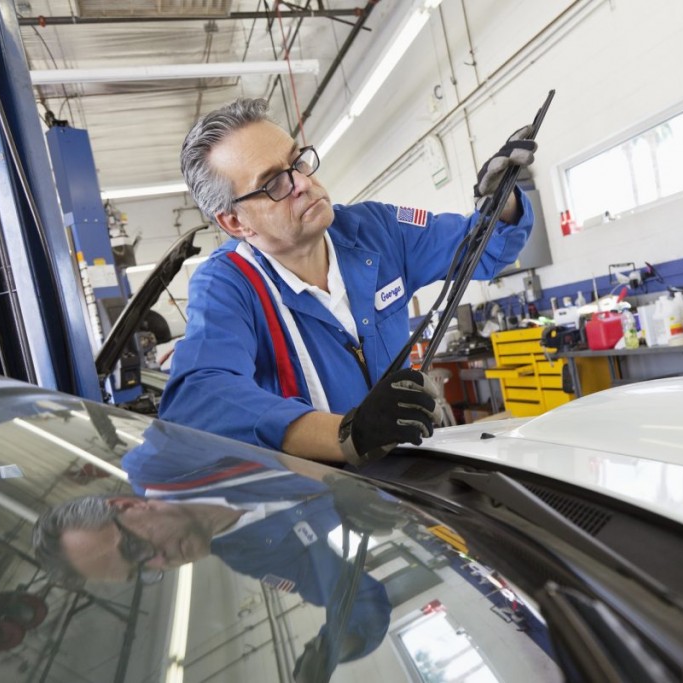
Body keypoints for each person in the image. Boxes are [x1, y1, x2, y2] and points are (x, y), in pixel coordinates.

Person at [159, 97, 537, 466]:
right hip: (323, 494)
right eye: (274, 183)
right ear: (235, 223)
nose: (302, 184)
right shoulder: (228, 284)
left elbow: (483, 251)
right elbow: (200, 398)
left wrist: (500, 204)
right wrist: (348, 433)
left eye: (298, 162)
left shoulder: (375, 231)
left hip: (413, 465)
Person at [32, 422, 403, 668]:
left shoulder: (171, 450)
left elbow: (259, 415)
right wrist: (336, 649)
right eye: (142, 571)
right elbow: (357, 597)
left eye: (134, 549)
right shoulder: (255, 556)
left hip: (387, 424)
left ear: (126, 505)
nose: (160, 562)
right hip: (421, 483)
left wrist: (331, 479)